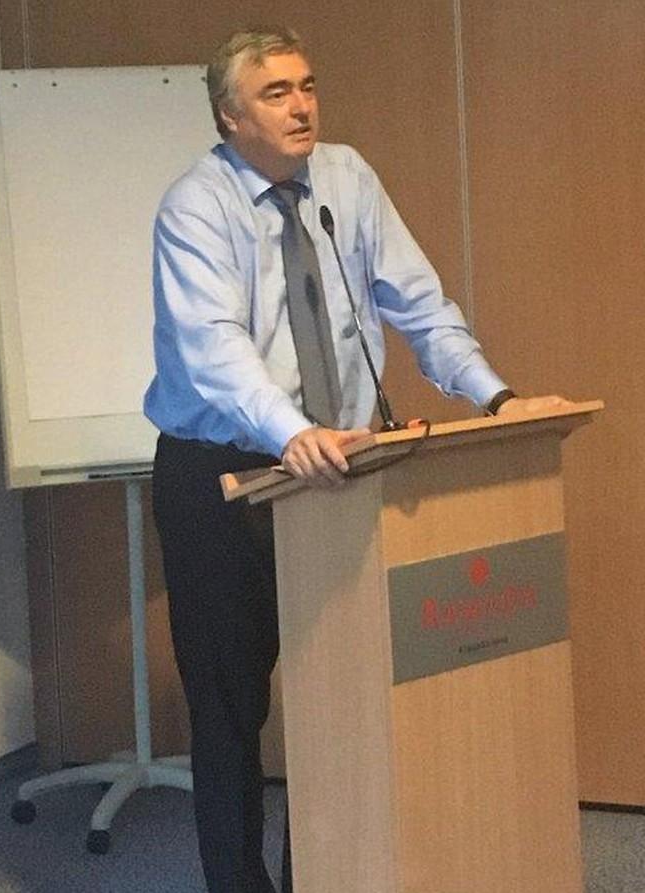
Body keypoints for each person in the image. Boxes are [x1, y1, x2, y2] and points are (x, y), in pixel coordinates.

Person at [143, 26, 568, 893]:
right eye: (276, 93)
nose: (301, 106)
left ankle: (325, 876)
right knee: (230, 708)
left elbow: (419, 303)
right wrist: (289, 431)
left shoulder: (347, 179)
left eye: (307, 86)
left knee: (338, 697)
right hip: (222, 473)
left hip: (341, 470)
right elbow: (214, 350)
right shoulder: (196, 208)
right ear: (229, 117)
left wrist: (496, 398)